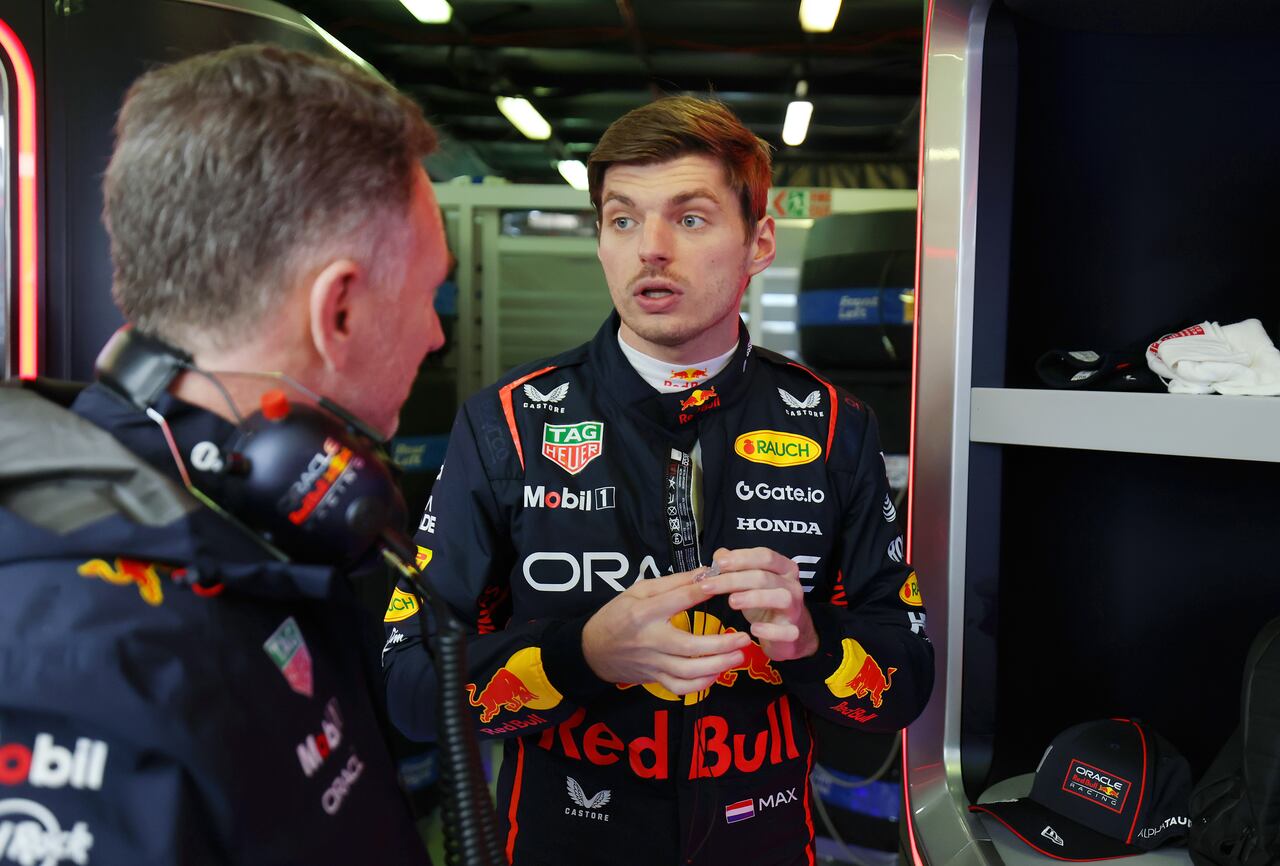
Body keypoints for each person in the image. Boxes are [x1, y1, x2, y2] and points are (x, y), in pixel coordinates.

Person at [381, 94, 934, 865]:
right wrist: (582, 655)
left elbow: (905, 684)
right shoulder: (507, 424)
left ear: (759, 241)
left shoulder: (836, 424)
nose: (651, 248)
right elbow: (407, 687)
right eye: (622, 219)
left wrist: (809, 642)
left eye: (692, 217)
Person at [0, 44, 446, 863]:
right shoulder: (92, 656)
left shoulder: (254, 526)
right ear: (338, 310)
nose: (436, 332)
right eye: (427, 295)